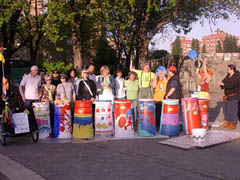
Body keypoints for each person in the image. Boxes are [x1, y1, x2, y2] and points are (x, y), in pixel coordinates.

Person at [19, 65, 41, 131]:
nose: (37, 71)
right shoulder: (26, 77)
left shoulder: (39, 77)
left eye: (37, 70)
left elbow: (39, 87)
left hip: (36, 98)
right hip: (27, 98)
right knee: (27, 113)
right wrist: (22, 96)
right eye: (35, 70)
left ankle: (35, 127)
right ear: (31, 71)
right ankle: (28, 128)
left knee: (36, 113)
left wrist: (39, 95)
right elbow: (20, 86)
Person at [218, 64, 240, 129]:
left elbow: (232, 84)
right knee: (226, 110)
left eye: (228, 69)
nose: (227, 70)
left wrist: (224, 84)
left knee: (232, 110)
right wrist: (221, 83)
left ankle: (233, 123)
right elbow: (223, 81)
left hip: (234, 95)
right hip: (227, 96)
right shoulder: (228, 75)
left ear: (232, 69)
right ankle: (227, 122)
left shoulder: (237, 76)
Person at [152, 66, 168, 131]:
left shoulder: (166, 78)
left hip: (163, 99)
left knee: (164, 114)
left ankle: (163, 126)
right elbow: (154, 86)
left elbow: (168, 83)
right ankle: (157, 126)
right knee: (157, 114)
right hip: (156, 99)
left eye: (162, 72)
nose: (160, 74)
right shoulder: (156, 79)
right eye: (159, 72)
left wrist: (163, 76)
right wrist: (156, 77)